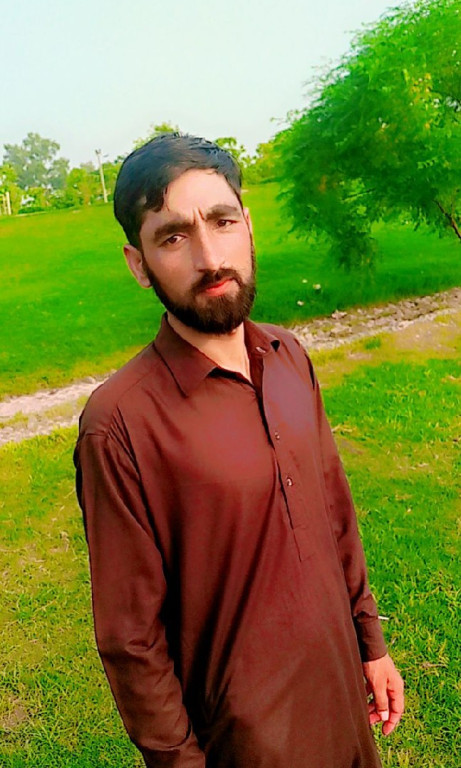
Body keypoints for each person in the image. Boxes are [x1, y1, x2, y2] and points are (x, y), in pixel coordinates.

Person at [74, 133, 404, 768]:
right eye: (173, 236)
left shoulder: (288, 356)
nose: (209, 256)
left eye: (222, 222)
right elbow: (131, 639)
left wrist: (371, 643)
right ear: (138, 264)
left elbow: (334, 509)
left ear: (248, 226)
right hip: (247, 741)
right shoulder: (119, 424)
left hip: (343, 703)